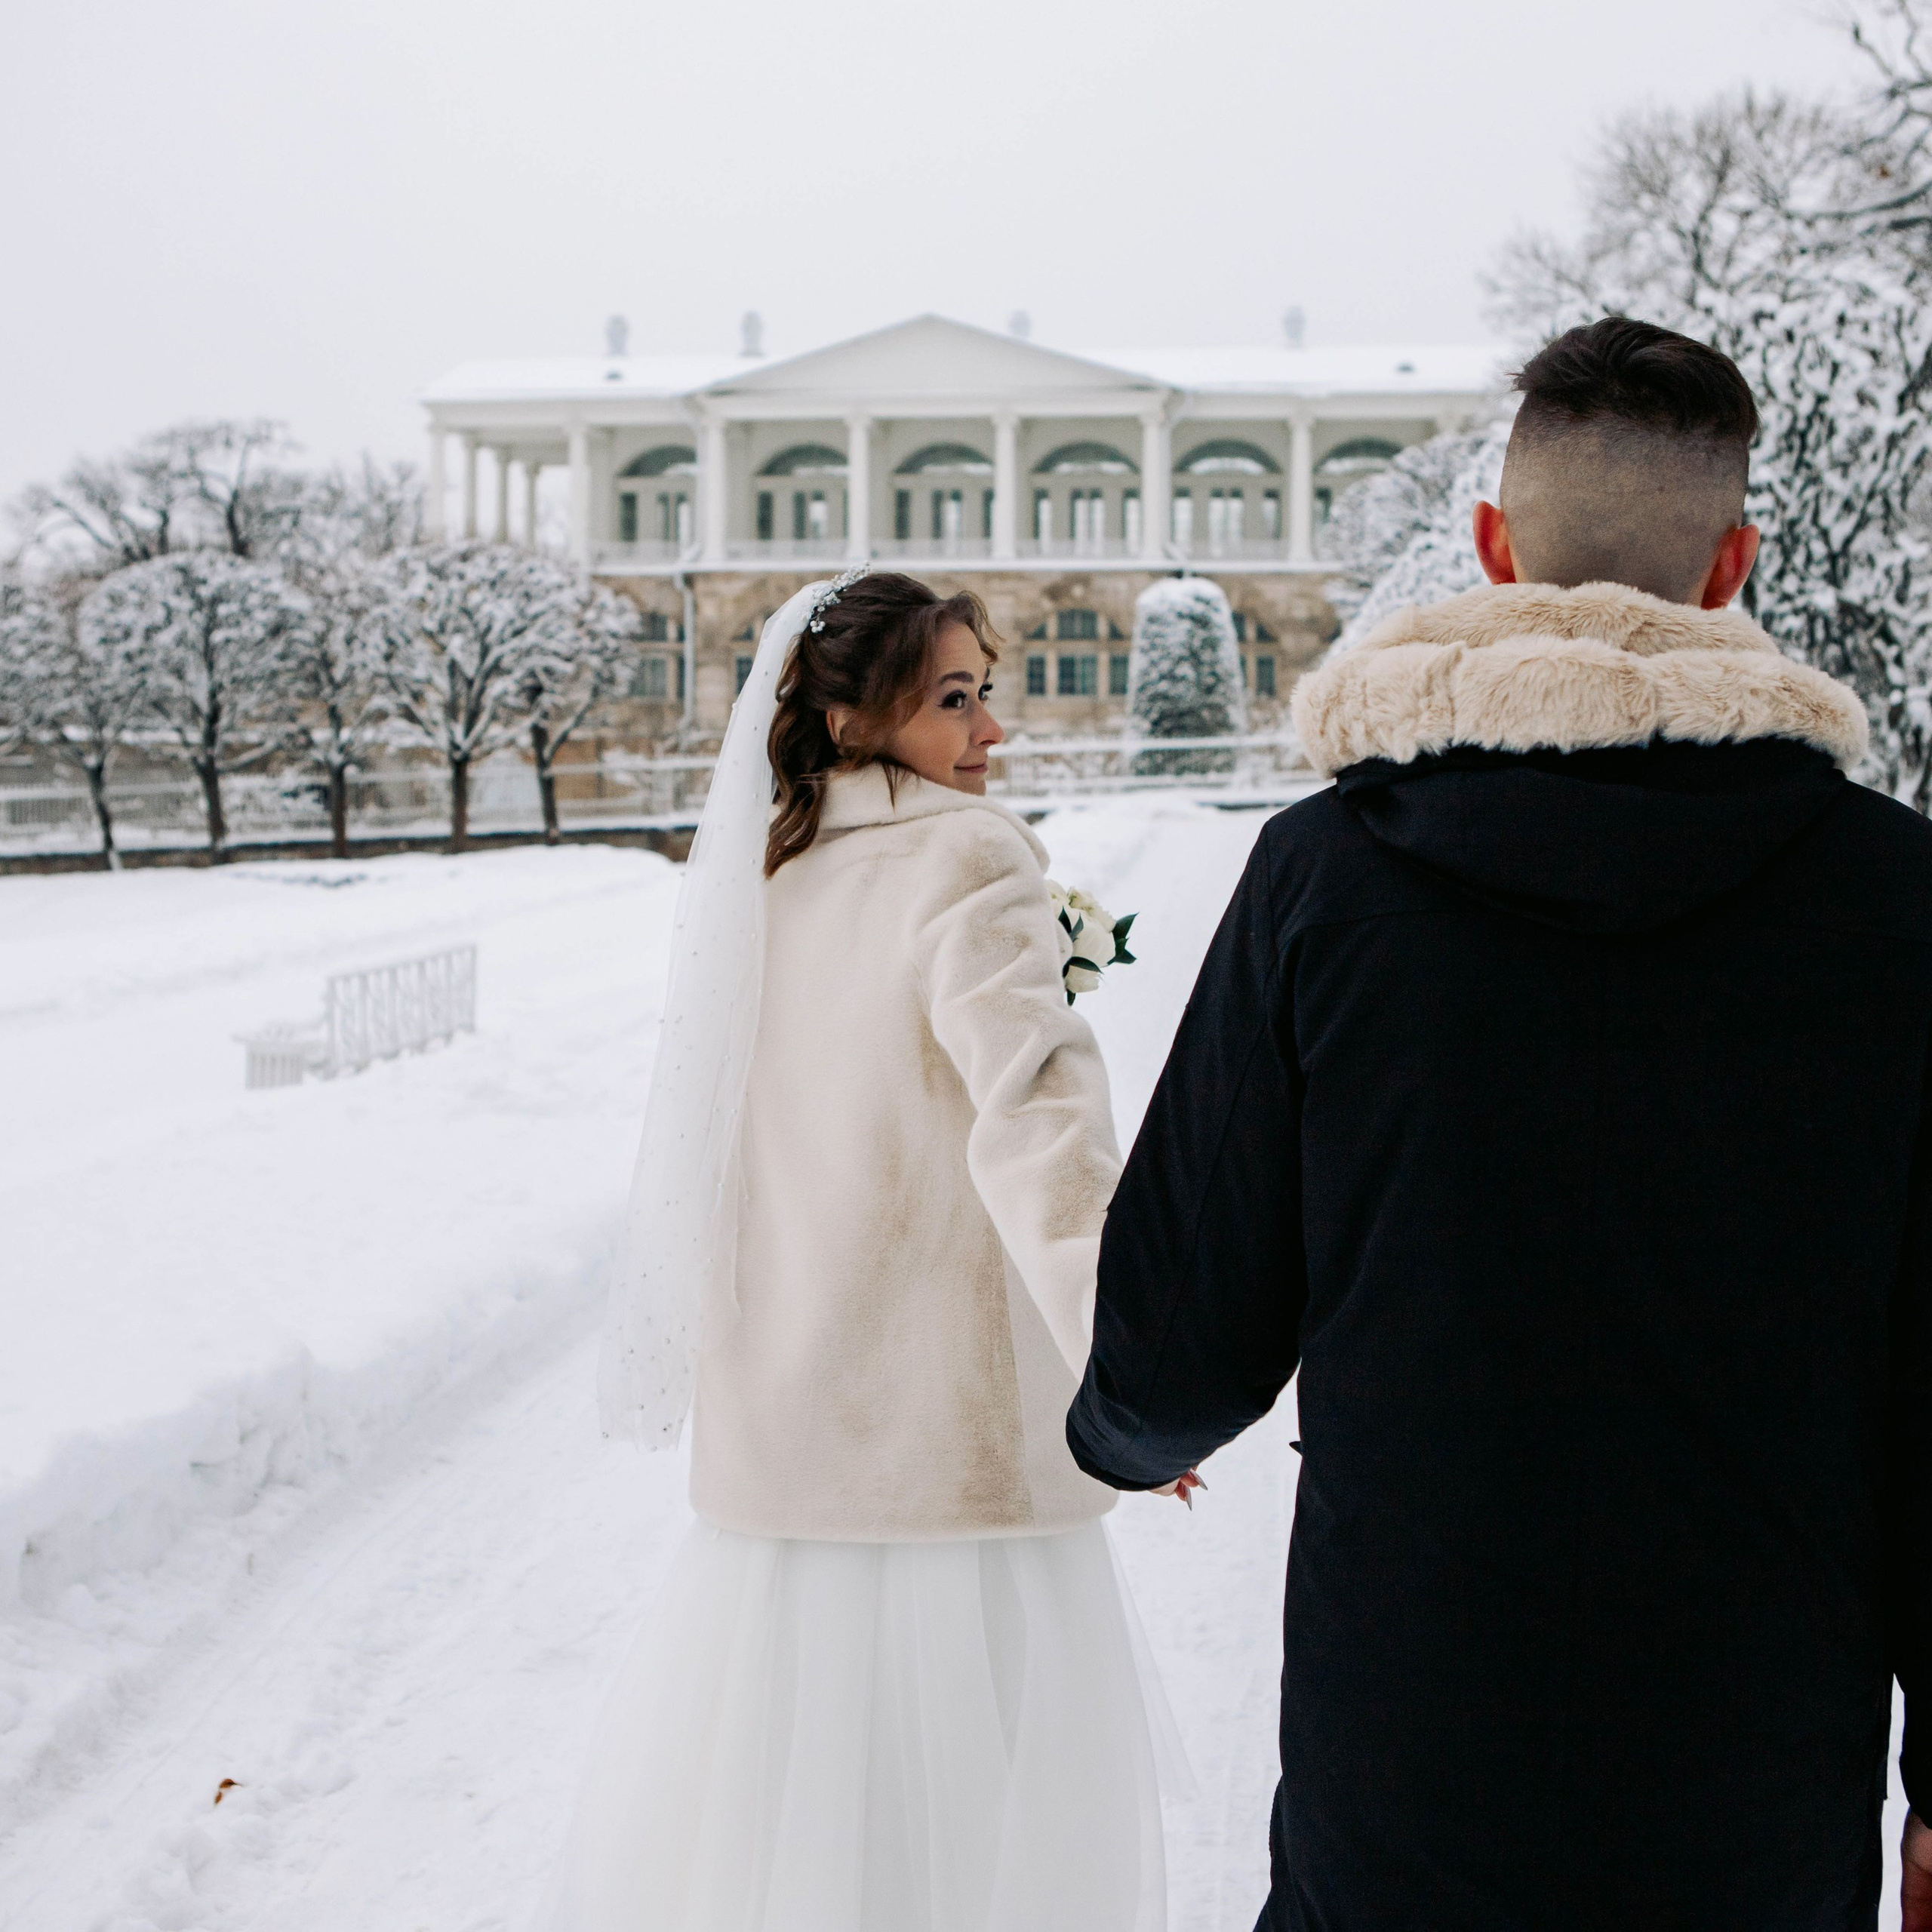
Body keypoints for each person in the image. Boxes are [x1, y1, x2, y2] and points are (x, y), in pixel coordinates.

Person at [1067, 316, 1932, 1930]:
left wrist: (1122, 1434)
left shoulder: (1323, 878)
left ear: (1489, 548)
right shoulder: (1893, 899)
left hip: (1410, 1745)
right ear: (1730, 561)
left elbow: (1183, 1327)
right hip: (1755, 1758)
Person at [543, 570, 1183, 1932]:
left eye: (987, 693)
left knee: (797, 1829)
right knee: (980, 1835)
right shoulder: (965, 858)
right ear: (848, 719)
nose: (990, 732)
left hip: (793, 1426)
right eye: (953, 701)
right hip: (947, 1439)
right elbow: (1040, 1124)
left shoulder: (764, 879)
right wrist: (1128, 1361)